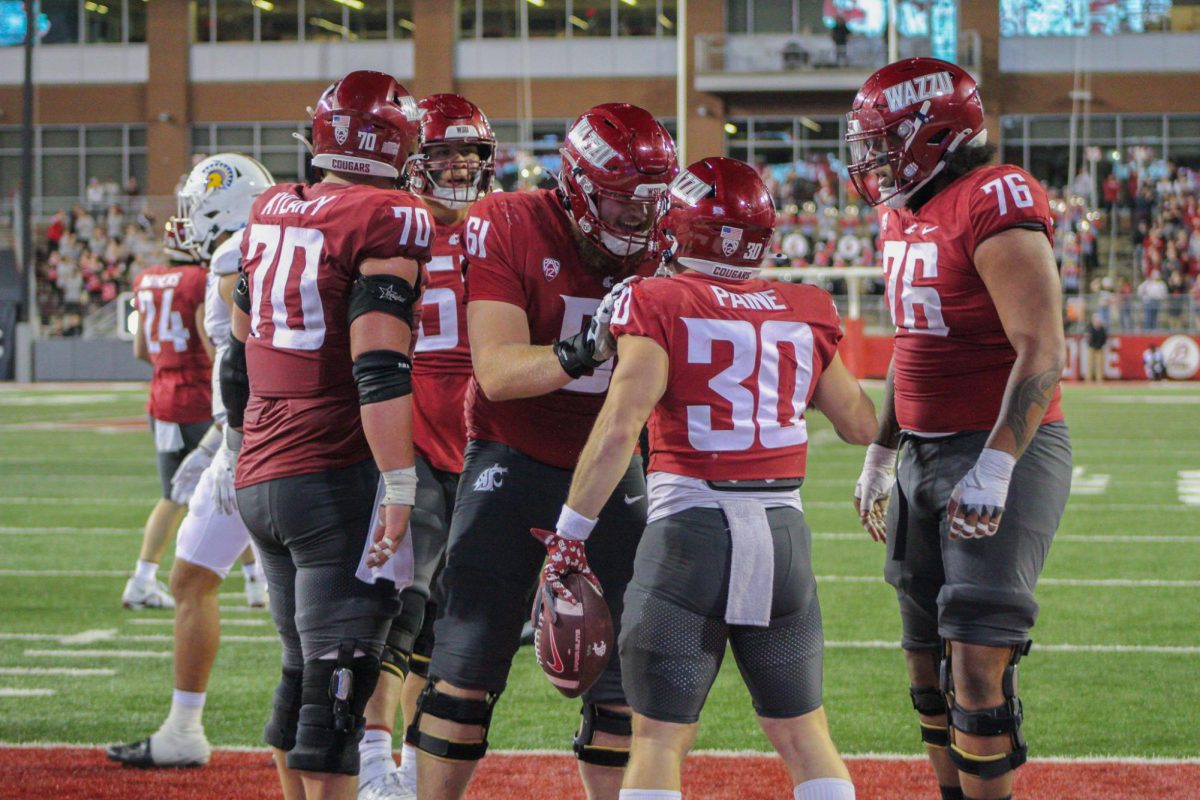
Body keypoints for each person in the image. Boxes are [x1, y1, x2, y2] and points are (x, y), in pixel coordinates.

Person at [544, 157, 875, 800]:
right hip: (783, 538)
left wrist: (568, 534)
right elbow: (862, 423)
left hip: (690, 535)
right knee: (805, 735)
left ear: (679, 229)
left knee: (659, 740)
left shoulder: (658, 297)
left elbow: (619, 428)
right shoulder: (804, 307)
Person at [408, 103, 677, 800]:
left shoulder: (670, 239)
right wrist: (585, 348)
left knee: (622, 685)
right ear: (582, 186)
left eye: (653, 199)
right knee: (464, 665)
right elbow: (497, 372)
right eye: (624, 198)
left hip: (614, 463)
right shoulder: (509, 221)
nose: (641, 216)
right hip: (512, 453)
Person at [846, 58, 1072, 800]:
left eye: (883, 143)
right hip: (923, 454)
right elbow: (912, 346)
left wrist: (999, 463)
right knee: (923, 660)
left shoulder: (993, 196)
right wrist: (881, 450)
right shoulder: (902, 211)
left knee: (977, 663)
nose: (872, 160)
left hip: (998, 445)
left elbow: (1042, 347)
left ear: (932, 133)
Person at [222, 70, 429, 800]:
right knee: (337, 703)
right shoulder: (390, 216)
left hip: (263, 473)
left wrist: (236, 443)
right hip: (332, 476)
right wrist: (401, 483)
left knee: (299, 672)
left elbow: (241, 338)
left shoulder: (274, 207)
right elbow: (378, 365)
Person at [107, 153, 274, 769]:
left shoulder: (236, 259)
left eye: (194, 207)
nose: (185, 222)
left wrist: (231, 445)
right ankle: (183, 729)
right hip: (248, 437)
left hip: (261, 444)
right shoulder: (249, 251)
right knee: (192, 579)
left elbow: (254, 361)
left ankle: (360, 750)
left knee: (303, 604)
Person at [356, 93, 496, 800]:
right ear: (414, 161)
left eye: (470, 152)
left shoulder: (502, 230)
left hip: (480, 450)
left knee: (446, 632)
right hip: (406, 445)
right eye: (443, 152)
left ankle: (412, 771)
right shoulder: (386, 230)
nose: (459, 165)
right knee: (389, 617)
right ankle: (377, 768)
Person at [122, 203, 215, 610]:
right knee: (228, 488)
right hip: (198, 398)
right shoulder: (198, 280)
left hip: (161, 399)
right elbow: (212, 348)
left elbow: (142, 348)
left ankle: (142, 578)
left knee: (173, 495)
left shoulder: (146, 280)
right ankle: (254, 582)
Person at [1084, 312, 1108, 382]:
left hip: (1099, 349)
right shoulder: (1090, 328)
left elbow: (1104, 339)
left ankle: (1099, 379)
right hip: (1091, 348)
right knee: (1090, 364)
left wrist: (1100, 345)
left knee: (1099, 364)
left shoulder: (1102, 329)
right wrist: (1090, 344)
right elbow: (1087, 338)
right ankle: (1088, 379)